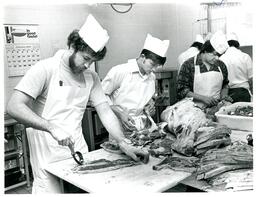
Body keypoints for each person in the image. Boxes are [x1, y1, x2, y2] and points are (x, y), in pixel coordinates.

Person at [7, 14, 149, 194]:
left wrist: (123, 142)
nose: (88, 65)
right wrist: (50, 127)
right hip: (47, 156)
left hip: (79, 151)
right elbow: (14, 106)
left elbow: (105, 111)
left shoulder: (92, 77)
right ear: (72, 46)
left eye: (93, 61)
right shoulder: (46, 69)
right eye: (85, 58)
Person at [101, 34, 169, 136]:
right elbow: (101, 96)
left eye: (157, 66)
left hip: (141, 127)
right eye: (152, 64)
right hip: (118, 126)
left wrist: (149, 106)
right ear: (143, 57)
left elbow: (146, 99)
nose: (154, 69)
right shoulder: (120, 71)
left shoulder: (152, 77)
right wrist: (120, 113)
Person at [177, 31, 230, 109]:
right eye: (214, 54)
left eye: (219, 55)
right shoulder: (189, 65)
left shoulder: (221, 65)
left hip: (216, 109)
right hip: (194, 110)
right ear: (205, 50)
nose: (217, 58)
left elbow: (225, 85)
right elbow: (182, 91)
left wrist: (224, 96)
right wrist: (203, 98)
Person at [220, 32, 253, 102]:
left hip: (227, 94)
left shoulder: (221, 58)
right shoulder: (245, 56)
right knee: (245, 111)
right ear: (237, 45)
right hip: (243, 93)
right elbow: (251, 79)